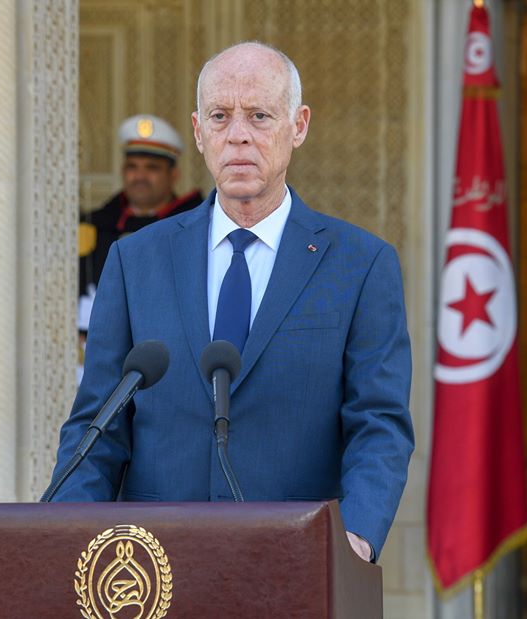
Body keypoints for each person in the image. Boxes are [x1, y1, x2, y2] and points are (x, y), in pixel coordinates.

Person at [52, 42, 414, 562]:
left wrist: (354, 538)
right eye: (220, 116)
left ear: (299, 126)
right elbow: (97, 425)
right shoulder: (136, 260)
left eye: (259, 116)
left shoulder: (360, 264)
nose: (238, 134)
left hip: (298, 559)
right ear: (199, 131)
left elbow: (378, 424)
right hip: (154, 564)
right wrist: (65, 536)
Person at [76, 114, 204, 382]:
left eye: (152, 168)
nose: (140, 176)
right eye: (132, 167)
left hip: (171, 362)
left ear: (174, 174)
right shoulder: (95, 226)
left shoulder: (197, 228)